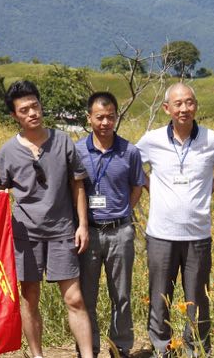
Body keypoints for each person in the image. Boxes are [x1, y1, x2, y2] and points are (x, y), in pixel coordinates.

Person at [136, 83, 214, 356]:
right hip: (160, 234)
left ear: (196, 105)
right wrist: (151, 186)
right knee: (159, 297)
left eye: (189, 102)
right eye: (178, 104)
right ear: (167, 108)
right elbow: (132, 165)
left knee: (197, 299)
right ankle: (162, 349)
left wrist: (210, 187)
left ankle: (195, 350)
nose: (184, 108)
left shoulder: (212, 139)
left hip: (197, 234)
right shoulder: (152, 140)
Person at [0, 80, 94, 358]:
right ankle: (37, 354)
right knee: (29, 298)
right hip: (25, 235)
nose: (32, 113)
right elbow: (0, 193)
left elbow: (77, 184)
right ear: (15, 115)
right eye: (24, 110)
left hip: (62, 229)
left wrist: (82, 225)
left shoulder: (62, 141)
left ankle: (88, 355)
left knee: (74, 298)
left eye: (35, 106)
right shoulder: (7, 151)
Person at [75, 92, 146, 358]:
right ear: (89, 118)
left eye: (110, 117)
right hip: (89, 232)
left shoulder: (130, 151)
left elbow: (137, 186)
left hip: (120, 232)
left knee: (122, 295)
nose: (105, 122)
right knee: (87, 296)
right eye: (99, 117)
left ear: (116, 117)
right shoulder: (78, 151)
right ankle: (88, 349)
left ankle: (121, 348)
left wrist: (123, 211)